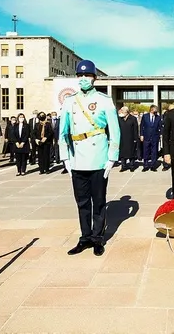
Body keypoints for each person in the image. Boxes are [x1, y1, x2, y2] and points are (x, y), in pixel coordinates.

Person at [60, 60, 120, 257]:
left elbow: (115, 131)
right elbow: (63, 132)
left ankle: (97, 238)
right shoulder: (70, 101)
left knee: (99, 201)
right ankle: (85, 237)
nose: (83, 79)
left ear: (94, 78)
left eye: (87, 75)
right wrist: (65, 158)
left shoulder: (104, 100)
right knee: (82, 202)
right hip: (77, 159)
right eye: (80, 75)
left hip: (98, 158)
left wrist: (111, 158)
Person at [140, 105, 162, 172]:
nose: (156, 111)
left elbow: (160, 127)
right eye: (155, 109)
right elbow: (141, 126)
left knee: (154, 152)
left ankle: (153, 166)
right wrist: (141, 135)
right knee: (146, 151)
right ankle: (145, 166)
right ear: (151, 109)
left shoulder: (158, 117)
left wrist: (160, 135)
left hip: (155, 137)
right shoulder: (145, 116)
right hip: (146, 137)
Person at [118, 106, 139, 172]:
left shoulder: (133, 118)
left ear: (126, 112)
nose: (121, 112)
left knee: (131, 153)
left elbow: (135, 129)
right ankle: (123, 166)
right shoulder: (119, 118)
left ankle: (132, 166)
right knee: (122, 154)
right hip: (122, 138)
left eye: (122, 111)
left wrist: (135, 138)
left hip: (131, 139)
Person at [160, 104, 174, 171]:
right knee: (166, 150)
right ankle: (166, 165)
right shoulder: (166, 115)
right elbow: (163, 124)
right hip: (167, 135)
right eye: (170, 110)